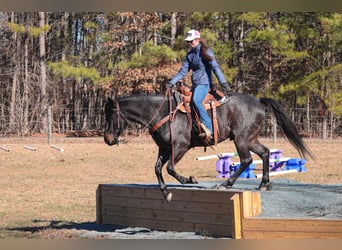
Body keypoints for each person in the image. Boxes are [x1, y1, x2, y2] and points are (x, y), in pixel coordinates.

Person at [166, 29, 232, 142]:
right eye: (188, 41)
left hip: (205, 84)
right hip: (196, 85)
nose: (189, 43)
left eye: (191, 41)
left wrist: (223, 82)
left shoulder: (206, 52)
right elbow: (183, 71)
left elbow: (215, 68)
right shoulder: (190, 55)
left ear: (197, 39)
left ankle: (209, 129)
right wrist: (172, 82)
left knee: (196, 100)